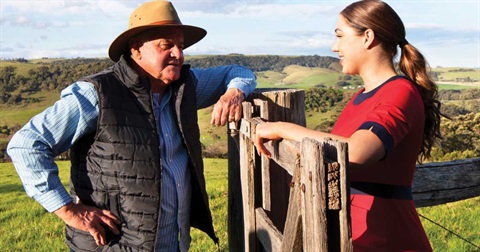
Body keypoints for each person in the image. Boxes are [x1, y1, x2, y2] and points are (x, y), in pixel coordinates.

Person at [7, 1, 256, 251]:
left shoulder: (185, 87)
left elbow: (239, 71)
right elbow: (27, 144)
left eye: (180, 46)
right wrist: (70, 211)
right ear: (136, 49)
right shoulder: (98, 94)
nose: (178, 55)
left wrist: (234, 93)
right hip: (114, 245)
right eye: (165, 45)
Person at [254, 0, 443, 251]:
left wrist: (282, 128)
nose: (335, 47)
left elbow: (355, 152)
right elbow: (332, 151)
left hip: (385, 238)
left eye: (340, 36)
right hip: (356, 234)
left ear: (367, 37)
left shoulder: (400, 92)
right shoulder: (361, 97)